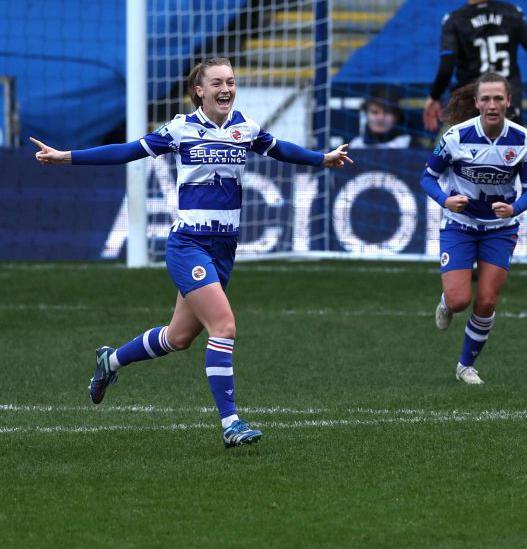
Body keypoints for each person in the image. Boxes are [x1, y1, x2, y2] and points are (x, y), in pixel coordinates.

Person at [30, 57, 352, 448]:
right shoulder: (181, 129)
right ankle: (231, 423)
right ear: (199, 89)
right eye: (217, 82)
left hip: (223, 248)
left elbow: (280, 149)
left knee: (178, 337)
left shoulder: (244, 128)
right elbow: (127, 151)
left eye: (231, 81)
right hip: (188, 245)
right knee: (225, 327)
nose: (226, 89)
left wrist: (323, 158)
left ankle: (110, 361)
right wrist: (66, 156)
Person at [420, 72, 527, 384]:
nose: (492, 104)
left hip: (500, 228)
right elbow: (427, 179)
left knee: (487, 300)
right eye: (485, 98)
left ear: (508, 102)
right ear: (476, 103)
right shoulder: (455, 137)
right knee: (460, 300)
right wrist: (446, 201)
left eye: (498, 98)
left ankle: (465, 366)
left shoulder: (523, 142)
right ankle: (447, 303)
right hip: (460, 225)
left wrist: (513, 208)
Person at [423, 0, 527, 132]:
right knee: (511, 151)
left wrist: (434, 97)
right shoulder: (512, 13)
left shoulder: (454, 20)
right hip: (506, 101)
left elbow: (446, 67)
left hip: (472, 103)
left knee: (462, 150)